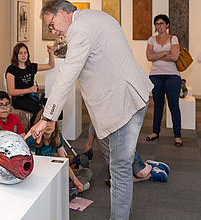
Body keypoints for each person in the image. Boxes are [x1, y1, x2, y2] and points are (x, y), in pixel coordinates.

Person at [24, 1, 154, 219]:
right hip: (120, 98)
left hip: (123, 102)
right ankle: (136, 171)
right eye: (50, 28)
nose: (53, 31)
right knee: (109, 146)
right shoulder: (93, 17)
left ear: (63, 13)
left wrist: (47, 117)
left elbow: (67, 75)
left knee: (119, 167)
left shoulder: (79, 30)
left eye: (52, 24)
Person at [26, 115, 92, 197]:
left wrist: (75, 181)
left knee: (87, 172)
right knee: (86, 185)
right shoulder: (32, 139)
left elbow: (64, 162)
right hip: (41, 176)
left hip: (54, 172)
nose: (48, 125)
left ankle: (64, 192)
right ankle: (65, 194)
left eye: (51, 121)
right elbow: (33, 168)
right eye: (46, 122)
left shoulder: (58, 136)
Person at [84, 123, 170, 183]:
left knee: (141, 173)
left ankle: (151, 165)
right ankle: (151, 175)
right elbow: (88, 144)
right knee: (120, 181)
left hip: (128, 154)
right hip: (114, 161)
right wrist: (84, 160)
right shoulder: (94, 125)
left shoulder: (115, 124)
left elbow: (128, 142)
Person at [146, 14, 182, 147]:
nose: (158, 26)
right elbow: (149, 57)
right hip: (155, 76)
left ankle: (177, 135)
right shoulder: (151, 39)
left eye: (161, 23)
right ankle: (155, 132)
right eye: (156, 24)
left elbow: (175, 57)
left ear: (167, 25)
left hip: (172, 76)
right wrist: (165, 52)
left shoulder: (173, 38)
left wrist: (157, 55)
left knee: (174, 106)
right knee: (158, 105)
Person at [5, 43, 55, 125]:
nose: (23, 55)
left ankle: (51, 131)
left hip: (31, 97)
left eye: (25, 52)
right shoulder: (11, 70)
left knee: (53, 106)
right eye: (20, 53)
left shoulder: (31, 67)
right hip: (18, 99)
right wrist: (28, 90)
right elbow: (11, 92)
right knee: (38, 111)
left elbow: (51, 65)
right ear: (16, 55)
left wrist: (50, 53)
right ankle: (32, 133)